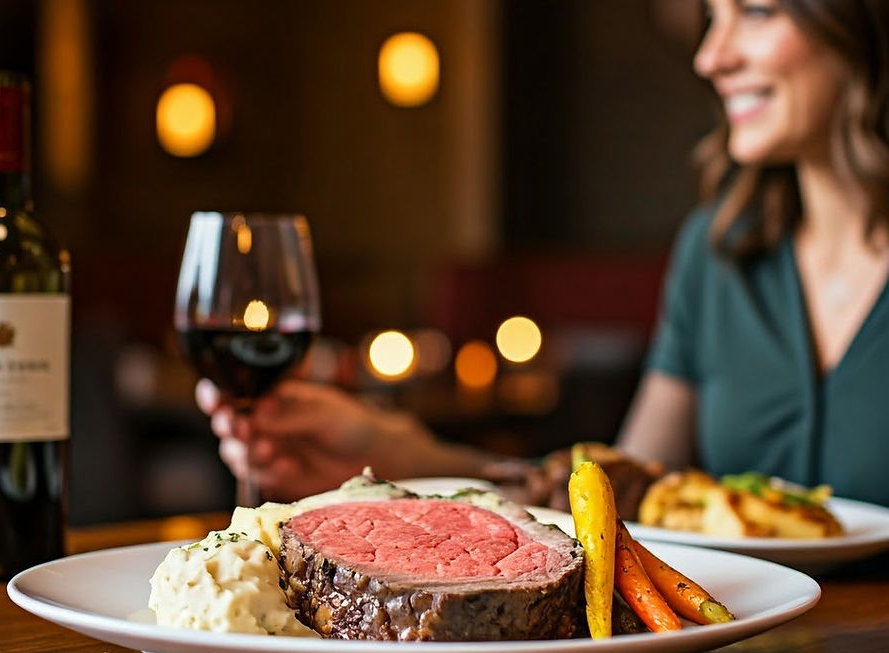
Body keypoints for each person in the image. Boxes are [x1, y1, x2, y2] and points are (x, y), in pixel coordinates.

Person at [197, 0, 889, 508]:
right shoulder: (719, 254)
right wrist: (405, 455)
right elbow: (613, 496)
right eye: (712, 15)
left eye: (757, 11)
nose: (712, 55)